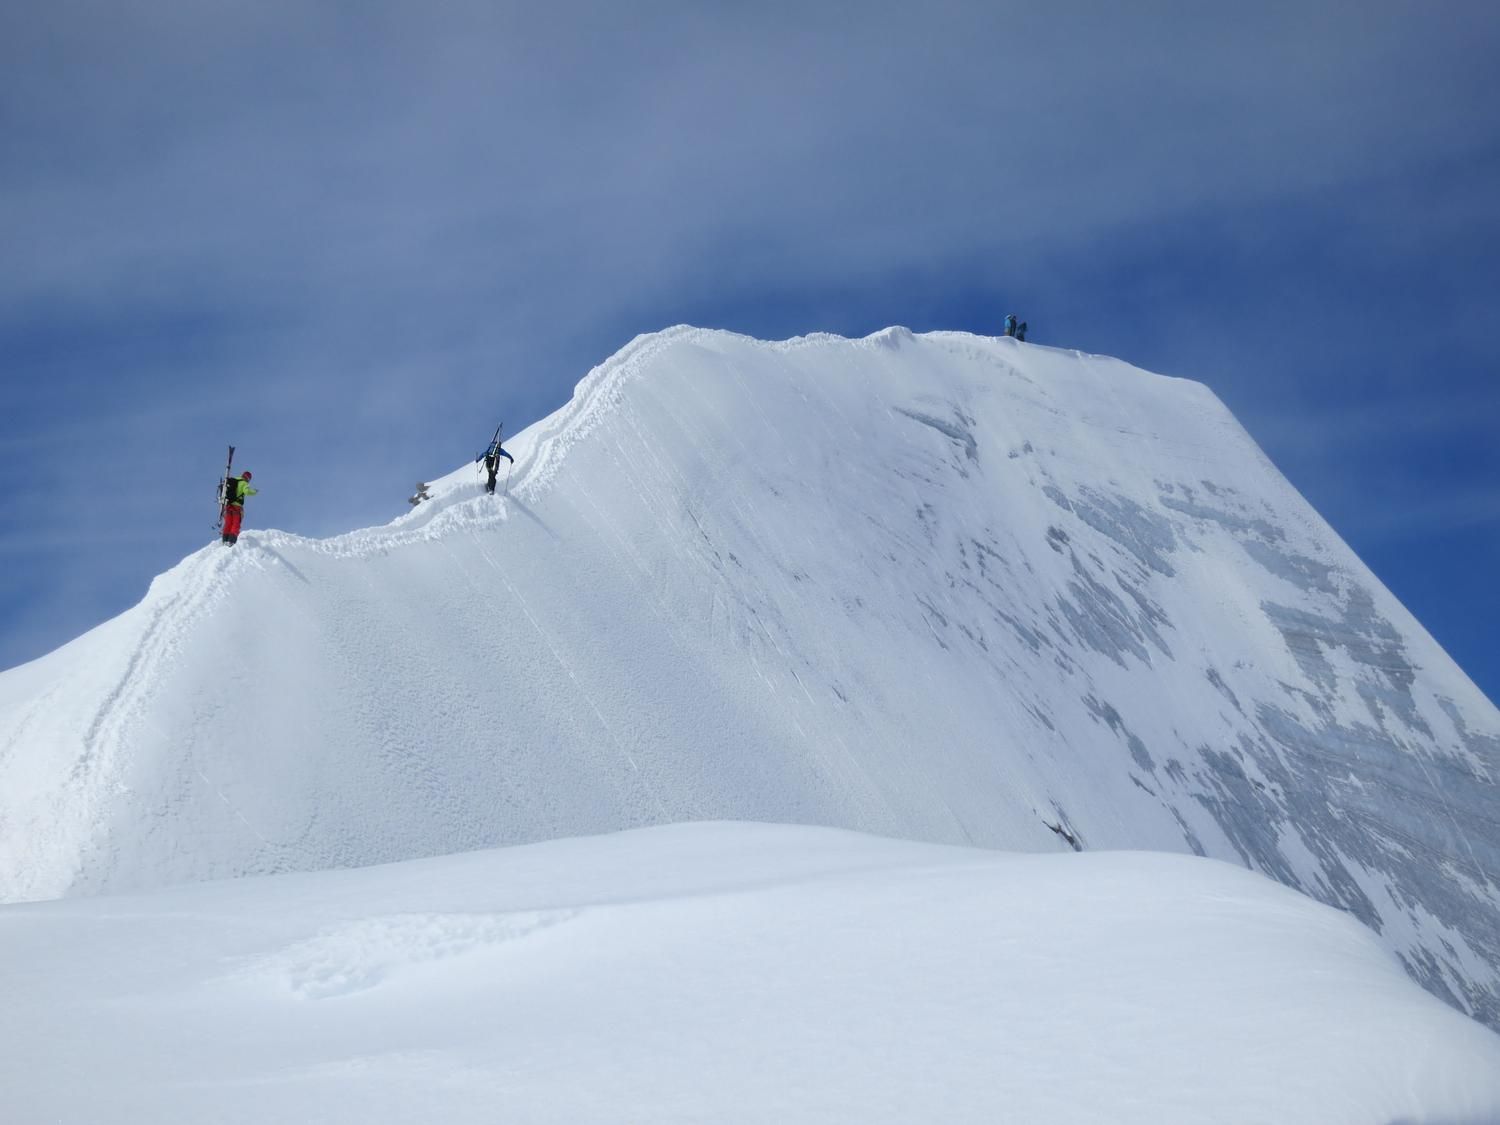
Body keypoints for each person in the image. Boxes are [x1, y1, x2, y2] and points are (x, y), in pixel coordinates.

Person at [221, 471, 258, 545]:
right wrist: (254, 491)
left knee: (228, 522)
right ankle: (232, 540)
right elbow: (247, 491)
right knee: (236, 523)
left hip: (228, 505)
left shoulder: (234, 480)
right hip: (237, 507)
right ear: (248, 478)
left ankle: (225, 539)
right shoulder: (244, 483)